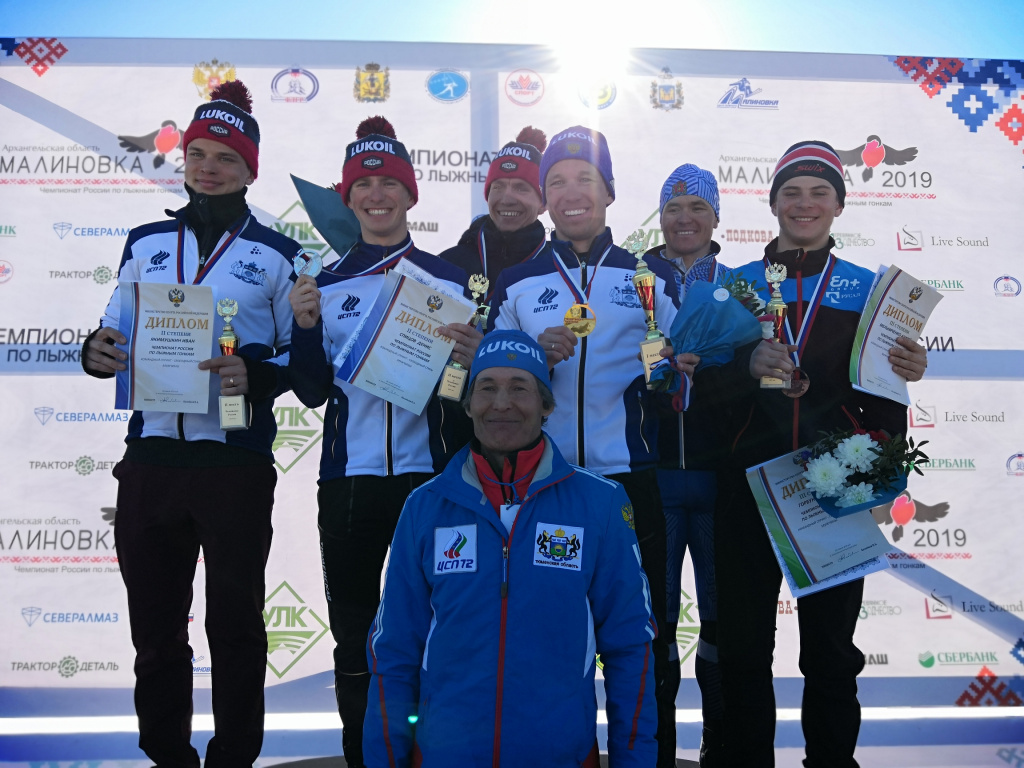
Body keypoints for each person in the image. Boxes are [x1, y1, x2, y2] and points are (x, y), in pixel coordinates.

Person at [80, 81, 300, 767]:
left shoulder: (279, 253)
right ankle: (166, 754)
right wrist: (96, 351)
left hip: (233, 464)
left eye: (226, 159)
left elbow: (301, 356)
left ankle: (235, 755)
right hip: (149, 462)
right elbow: (113, 330)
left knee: (236, 627)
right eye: (198, 154)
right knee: (156, 630)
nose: (208, 167)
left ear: (249, 169)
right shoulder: (144, 240)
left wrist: (259, 374)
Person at [696, 141, 928, 768]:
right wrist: (745, 366)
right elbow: (696, 394)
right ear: (772, 203)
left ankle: (831, 761)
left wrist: (881, 472)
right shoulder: (735, 287)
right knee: (745, 649)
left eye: (819, 191)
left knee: (829, 652)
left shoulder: (867, 289)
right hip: (748, 491)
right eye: (791, 192)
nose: (805, 203)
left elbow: (885, 397)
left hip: (836, 490)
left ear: (839, 205)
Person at [362, 329, 657, 767]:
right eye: (487, 388)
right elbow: (394, 651)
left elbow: (631, 646)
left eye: (520, 388)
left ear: (546, 405)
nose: (501, 403)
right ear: (468, 404)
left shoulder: (600, 503)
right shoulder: (426, 506)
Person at [487, 125, 684, 766]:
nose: (573, 192)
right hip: (547, 486)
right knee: (546, 639)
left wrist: (675, 370)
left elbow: (682, 381)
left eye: (585, 179)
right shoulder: (515, 282)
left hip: (631, 483)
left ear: (608, 192)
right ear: (545, 198)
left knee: (643, 641)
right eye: (558, 182)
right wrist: (528, 359)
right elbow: (489, 389)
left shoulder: (647, 277)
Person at [287, 116, 470, 768]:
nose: (376, 195)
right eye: (363, 185)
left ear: (410, 194)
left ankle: (433, 753)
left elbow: (459, 398)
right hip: (349, 484)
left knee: (437, 633)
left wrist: (464, 364)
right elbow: (310, 391)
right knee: (355, 638)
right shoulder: (324, 284)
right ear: (347, 197)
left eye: (388, 182)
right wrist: (305, 326)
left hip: (430, 484)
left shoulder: (447, 281)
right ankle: (366, 756)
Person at [645, 164, 727, 766]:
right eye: (674, 208)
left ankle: (721, 749)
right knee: (656, 628)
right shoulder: (627, 280)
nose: (685, 219)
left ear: (716, 218)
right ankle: (658, 751)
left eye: (698, 207)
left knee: (725, 625)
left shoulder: (744, 284)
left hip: (722, 481)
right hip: (652, 481)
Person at [438, 125, 549, 286]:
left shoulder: (558, 270)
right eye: (498, 187)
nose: (506, 200)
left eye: (521, 188)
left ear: (543, 204)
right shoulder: (447, 265)